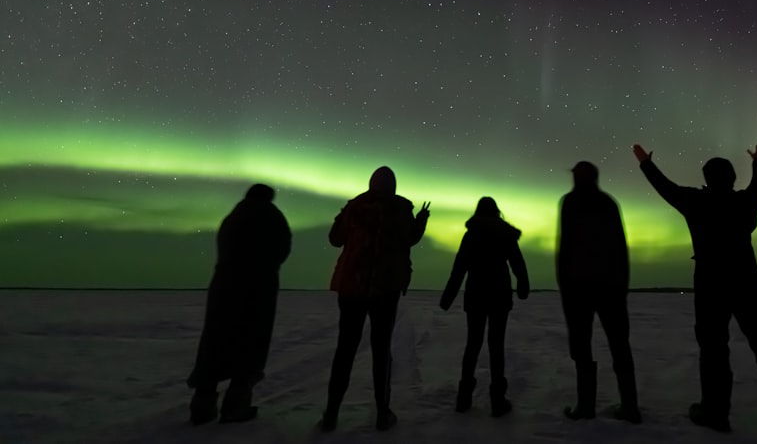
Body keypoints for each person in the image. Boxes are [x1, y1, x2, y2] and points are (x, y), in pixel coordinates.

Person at [632, 143, 757, 433]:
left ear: (706, 178)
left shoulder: (694, 201)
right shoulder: (745, 203)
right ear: (732, 178)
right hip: (746, 276)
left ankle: (715, 413)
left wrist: (646, 163)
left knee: (713, 348)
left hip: (711, 279)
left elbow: (665, 187)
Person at [318, 166, 430, 433]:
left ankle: (331, 414)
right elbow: (410, 239)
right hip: (385, 288)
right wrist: (422, 219)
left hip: (351, 288)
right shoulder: (401, 210)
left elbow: (335, 239)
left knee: (345, 350)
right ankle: (382, 413)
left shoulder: (354, 207)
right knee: (381, 351)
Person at [187, 183, 292, 425]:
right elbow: (282, 248)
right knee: (250, 346)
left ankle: (202, 407)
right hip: (258, 290)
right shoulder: (272, 216)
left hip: (224, 288)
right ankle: (236, 406)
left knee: (215, 345)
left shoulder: (233, 217)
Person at [556, 161, 641, 424]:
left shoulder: (570, 202)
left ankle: (586, 406)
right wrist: (622, 286)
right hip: (611, 286)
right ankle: (630, 406)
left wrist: (564, 284)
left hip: (579, 287)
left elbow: (566, 246)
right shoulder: (608, 202)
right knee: (619, 345)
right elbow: (620, 246)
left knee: (582, 346)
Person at [440, 196, 530, 417]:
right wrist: (523, 285)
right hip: (499, 295)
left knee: (473, 343)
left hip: (476, 295)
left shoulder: (471, 235)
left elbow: (459, 267)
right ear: (496, 212)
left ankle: (464, 399)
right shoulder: (505, 235)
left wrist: (448, 297)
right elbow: (518, 263)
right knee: (496, 345)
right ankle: (498, 401)